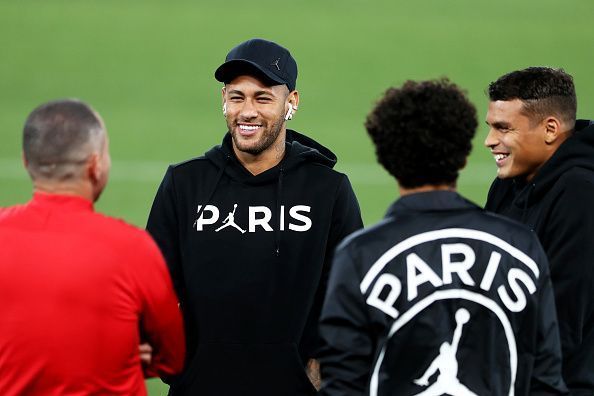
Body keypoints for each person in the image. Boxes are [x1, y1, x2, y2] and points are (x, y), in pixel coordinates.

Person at [318, 79, 568, 395]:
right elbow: (545, 379)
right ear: (463, 156)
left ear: (386, 160)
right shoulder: (520, 246)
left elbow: (343, 383)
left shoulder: (361, 255)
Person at [146, 38, 363, 396]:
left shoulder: (327, 189)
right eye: (237, 97)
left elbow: (350, 292)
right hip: (200, 387)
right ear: (223, 101)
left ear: (290, 103)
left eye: (263, 98)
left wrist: (327, 362)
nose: (247, 112)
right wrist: (176, 363)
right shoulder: (185, 183)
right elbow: (153, 286)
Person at [0, 99, 185, 395]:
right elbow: (173, 358)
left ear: (25, 161)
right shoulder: (133, 249)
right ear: (95, 165)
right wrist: (119, 355)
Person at [484, 67, 594, 395]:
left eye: (503, 128)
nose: (490, 141)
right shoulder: (508, 184)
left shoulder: (582, 194)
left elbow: (564, 320)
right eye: (490, 128)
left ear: (550, 129)